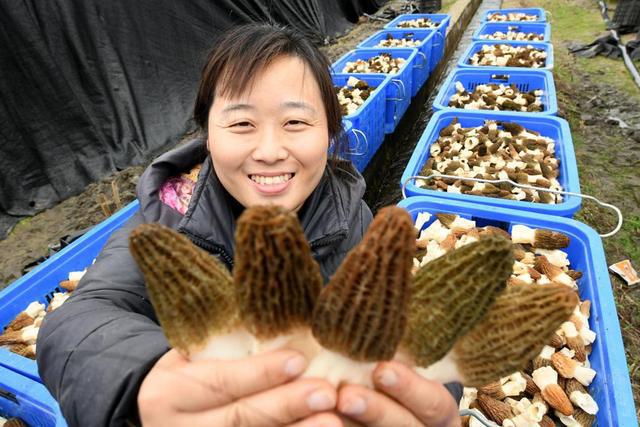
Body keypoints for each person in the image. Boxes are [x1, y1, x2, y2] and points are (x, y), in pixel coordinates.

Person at [37, 23, 461, 427]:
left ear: (329, 129)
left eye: (295, 122)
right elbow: (78, 322)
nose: (271, 150)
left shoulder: (351, 214)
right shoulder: (166, 223)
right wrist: (145, 375)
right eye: (242, 124)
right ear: (208, 134)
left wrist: (431, 383)